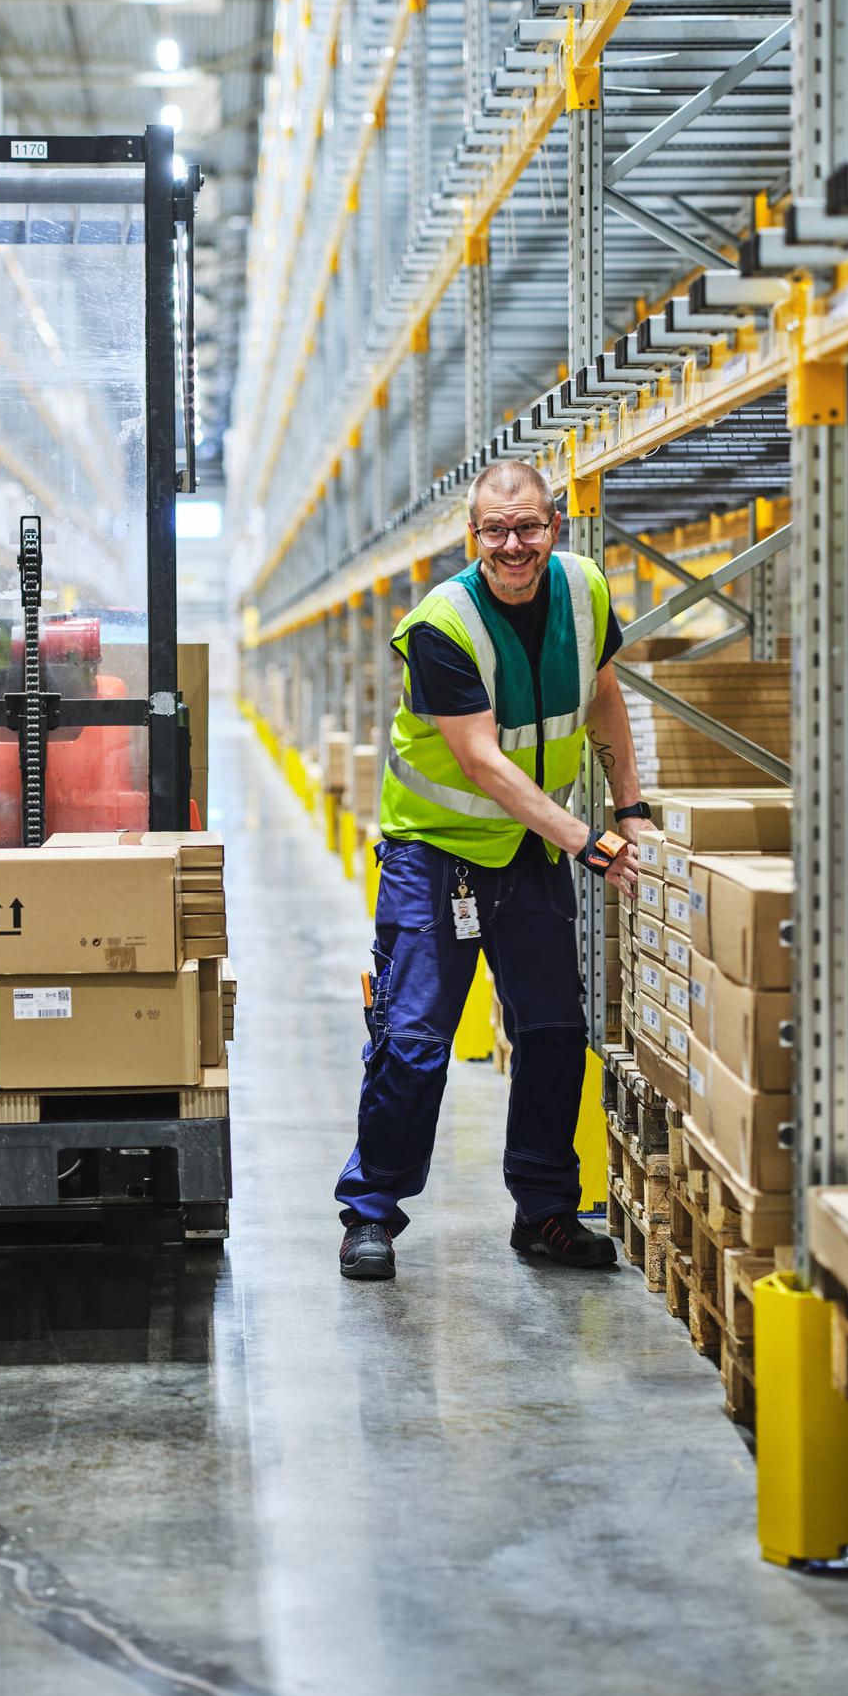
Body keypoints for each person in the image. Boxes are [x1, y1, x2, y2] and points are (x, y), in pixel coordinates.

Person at [335, 459, 654, 1281]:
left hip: (528, 851)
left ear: (557, 525)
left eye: (529, 527)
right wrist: (586, 839)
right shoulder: (442, 625)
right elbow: (480, 762)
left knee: (553, 1034)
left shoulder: (584, 591)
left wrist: (631, 807)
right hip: (436, 854)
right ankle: (371, 1212)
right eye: (495, 530)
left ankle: (545, 1210)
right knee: (412, 1040)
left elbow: (605, 696)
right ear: (471, 535)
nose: (513, 545)